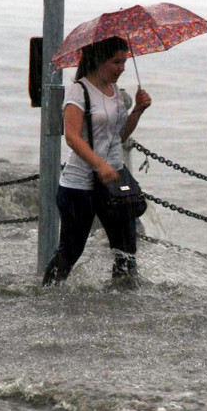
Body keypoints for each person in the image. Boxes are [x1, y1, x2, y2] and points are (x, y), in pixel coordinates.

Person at [42, 36, 152, 286]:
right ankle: (48, 293)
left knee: (126, 251)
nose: (122, 68)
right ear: (98, 60)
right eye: (116, 62)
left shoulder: (115, 92)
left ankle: (122, 302)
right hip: (79, 185)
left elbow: (119, 136)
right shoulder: (78, 91)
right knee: (71, 249)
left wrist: (137, 111)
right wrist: (99, 164)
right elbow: (71, 136)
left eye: (124, 62)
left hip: (114, 182)